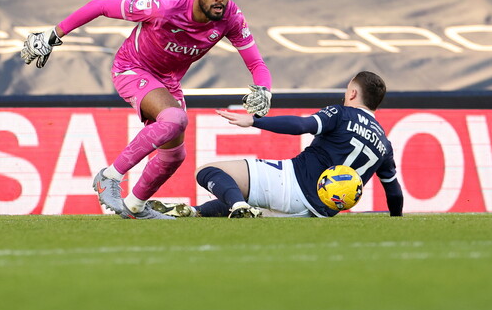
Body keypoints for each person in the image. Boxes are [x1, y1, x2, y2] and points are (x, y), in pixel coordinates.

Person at [19, 0, 273, 220]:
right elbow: (100, 6)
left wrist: (265, 89)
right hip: (132, 69)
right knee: (175, 118)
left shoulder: (231, 17)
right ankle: (109, 178)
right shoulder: (164, 7)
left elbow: (256, 63)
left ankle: (134, 207)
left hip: (168, 83)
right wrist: (53, 34)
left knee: (174, 156)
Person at [148, 71, 404, 219]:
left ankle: (238, 207)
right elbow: (393, 192)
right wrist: (396, 220)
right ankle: (194, 212)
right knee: (248, 198)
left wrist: (254, 121)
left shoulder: (342, 114)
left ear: (352, 94)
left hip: (292, 184)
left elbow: (301, 126)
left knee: (208, 172)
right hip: (321, 211)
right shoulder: (384, 143)